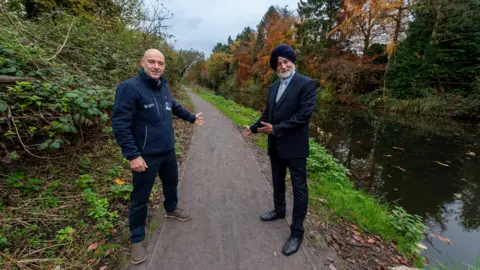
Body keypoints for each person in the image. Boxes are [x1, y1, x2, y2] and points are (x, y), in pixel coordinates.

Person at [112, 49, 205, 265]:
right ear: (142, 62)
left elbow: (172, 106)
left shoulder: (163, 86)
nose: (156, 66)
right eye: (152, 62)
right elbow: (120, 124)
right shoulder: (129, 88)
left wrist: (191, 118)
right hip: (145, 156)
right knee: (140, 198)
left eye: (160, 63)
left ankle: (171, 209)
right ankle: (136, 238)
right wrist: (133, 155)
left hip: (168, 151)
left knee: (171, 185)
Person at [241, 44, 318, 256]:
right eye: (279, 63)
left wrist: (276, 129)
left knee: (299, 189)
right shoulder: (274, 87)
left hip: (295, 147)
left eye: (286, 61)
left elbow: (303, 116)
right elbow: (268, 113)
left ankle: (297, 232)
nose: (283, 65)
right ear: (275, 68)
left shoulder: (307, 84)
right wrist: (253, 127)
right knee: (276, 180)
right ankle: (279, 210)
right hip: (275, 145)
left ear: (293, 61)